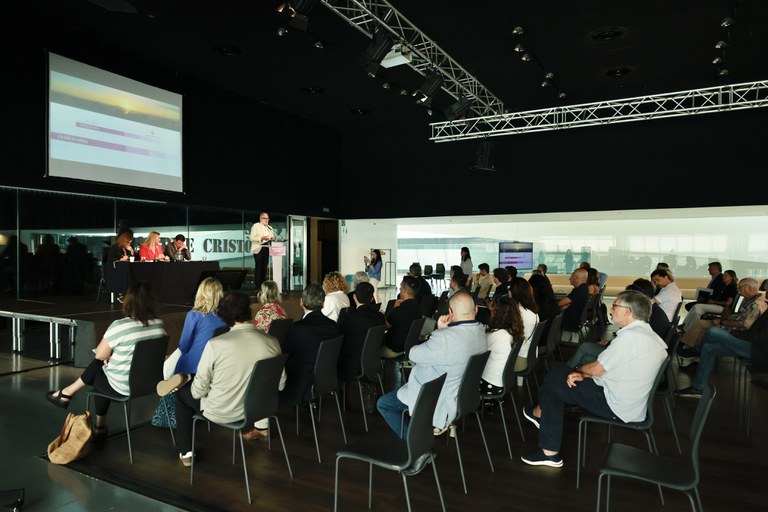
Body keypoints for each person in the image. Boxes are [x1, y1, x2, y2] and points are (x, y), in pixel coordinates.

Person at [520, 290, 667, 468]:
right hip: (630, 402)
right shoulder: (651, 336)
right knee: (558, 370)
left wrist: (578, 371)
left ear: (628, 311)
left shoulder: (629, 339)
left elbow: (597, 369)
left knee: (555, 385)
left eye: (615, 305)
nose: (611, 309)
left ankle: (549, 451)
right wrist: (580, 373)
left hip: (615, 404)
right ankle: (539, 413)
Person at [168, 291, 286, 465]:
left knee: (181, 396)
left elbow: (197, 392)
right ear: (249, 311)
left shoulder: (215, 345)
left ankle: (186, 453)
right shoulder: (272, 342)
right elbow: (280, 384)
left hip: (224, 411)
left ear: (225, 317)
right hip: (259, 409)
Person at [45, 282, 166, 439]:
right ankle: (72, 398)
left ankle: (71, 397)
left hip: (123, 387)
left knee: (98, 369)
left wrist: (107, 356)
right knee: (101, 370)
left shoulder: (121, 326)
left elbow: (99, 355)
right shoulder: (159, 325)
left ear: (128, 301)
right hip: (149, 384)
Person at [377, 291, 486, 444]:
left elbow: (413, 354)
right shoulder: (481, 332)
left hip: (437, 397)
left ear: (451, 312)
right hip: (462, 396)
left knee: (384, 404)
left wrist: (439, 331)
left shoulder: (445, 338)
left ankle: (416, 444)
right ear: (476, 310)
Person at [567, 278, 670, 368]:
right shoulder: (653, 312)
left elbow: (626, 346)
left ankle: (566, 373)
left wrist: (610, 344)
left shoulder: (646, 316)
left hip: (631, 362)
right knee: (586, 356)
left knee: (585, 349)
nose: (612, 310)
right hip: (638, 360)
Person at [677, 308, 768, 398]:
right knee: (708, 348)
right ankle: (698, 388)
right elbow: (754, 330)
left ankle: (696, 351)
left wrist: (734, 333)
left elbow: (759, 337)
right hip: (752, 344)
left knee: (713, 331)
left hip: (757, 351)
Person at [279, 283, 341, 406]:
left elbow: (283, 354)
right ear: (323, 303)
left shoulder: (297, 329)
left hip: (300, 384)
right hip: (328, 378)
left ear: (301, 302)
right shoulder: (333, 326)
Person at [171, 277, 227, 377]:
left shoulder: (194, 315)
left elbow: (184, 345)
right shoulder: (226, 316)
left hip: (194, 366)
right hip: (217, 364)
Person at [338, 282, 385, 382]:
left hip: (354, 365)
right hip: (374, 360)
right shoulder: (380, 317)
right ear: (372, 298)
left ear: (354, 297)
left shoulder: (350, 318)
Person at [480, 295, 524, 395]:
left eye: (492, 308)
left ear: (497, 313)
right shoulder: (512, 331)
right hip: (504, 380)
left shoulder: (497, 335)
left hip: (491, 384)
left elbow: (478, 352)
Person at [382, 276, 422, 358]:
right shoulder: (418, 308)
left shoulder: (399, 310)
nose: (399, 289)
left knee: (370, 346)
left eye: (400, 287)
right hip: (409, 347)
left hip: (392, 349)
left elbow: (383, 327)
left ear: (404, 290)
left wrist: (393, 308)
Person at [509, 277, 540, 370]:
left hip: (519, 358)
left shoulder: (518, 313)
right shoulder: (533, 311)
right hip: (531, 355)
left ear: (513, 292)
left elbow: (508, 337)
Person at [558, 268, 589, 340]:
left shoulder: (578, 291)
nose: (569, 279)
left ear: (576, 278)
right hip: (576, 320)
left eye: (571, 276)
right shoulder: (584, 288)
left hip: (570, 321)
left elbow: (559, 304)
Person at [249, 212, 275, 290]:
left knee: (264, 269)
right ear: (260, 219)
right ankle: (257, 287)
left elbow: (272, 237)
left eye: (268, 218)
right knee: (259, 268)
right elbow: (251, 238)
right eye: (265, 218)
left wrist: (272, 238)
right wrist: (261, 238)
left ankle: (263, 287)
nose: (267, 220)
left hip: (266, 248)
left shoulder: (270, 228)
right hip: (258, 249)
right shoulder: (256, 226)